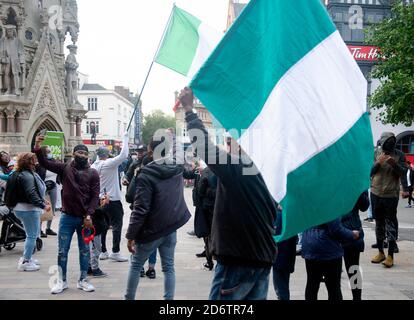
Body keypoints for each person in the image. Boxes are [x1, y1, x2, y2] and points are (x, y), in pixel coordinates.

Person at [179, 87, 277, 300]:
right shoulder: (266, 171)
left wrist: (188, 108)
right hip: (261, 259)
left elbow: (204, 146)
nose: (227, 145)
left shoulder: (241, 168)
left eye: (230, 141)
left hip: (238, 261)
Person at [124, 136, 191, 300]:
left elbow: (140, 209)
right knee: (169, 267)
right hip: (170, 227)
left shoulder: (145, 174)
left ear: (151, 151)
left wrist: (130, 235)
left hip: (151, 230)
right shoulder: (176, 168)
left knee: (135, 265)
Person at [34, 134, 100, 294]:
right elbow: (44, 162)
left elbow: (94, 196)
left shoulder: (93, 173)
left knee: (85, 250)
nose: (82, 156)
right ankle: (61, 281)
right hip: (67, 217)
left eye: (85, 154)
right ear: (74, 153)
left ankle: (83, 279)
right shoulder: (64, 168)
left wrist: (90, 215)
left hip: (85, 219)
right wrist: (37, 145)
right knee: (62, 250)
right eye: (79, 153)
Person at [5, 153, 49, 272]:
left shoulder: (17, 173)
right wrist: (43, 205)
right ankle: (26, 261)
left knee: (30, 235)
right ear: (29, 162)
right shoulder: (27, 175)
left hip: (20, 208)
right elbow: (31, 193)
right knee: (32, 236)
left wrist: (42, 200)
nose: (36, 162)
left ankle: (27, 258)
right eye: (34, 160)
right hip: (29, 209)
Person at [370, 132, 408, 268]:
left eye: (392, 143)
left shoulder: (399, 155)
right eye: (387, 142)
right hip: (375, 192)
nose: (389, 146)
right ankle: (380, 252)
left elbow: (403, 173)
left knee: (391, 224)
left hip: (391, 195)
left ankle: (391, 255)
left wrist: (394, 164)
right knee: (378, 222)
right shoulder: (376, 153)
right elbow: (369, 171)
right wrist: (378, 163)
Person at [92, 132, 129, 262]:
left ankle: (103, 251)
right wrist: (125, 138)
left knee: (103, 225)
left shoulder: (93, 166)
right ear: (106, 155)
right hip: (112, 199)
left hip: (99, 200)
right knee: (117, 225)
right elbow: (124, 155)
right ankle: (116, 251)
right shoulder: (109, 163)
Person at [302, 218, 360, 301]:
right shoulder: (328, 205)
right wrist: (352, 234)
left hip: (310, 243)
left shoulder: (307, 205)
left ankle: (357, 296)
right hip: (328, 247)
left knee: (312, 283)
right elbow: (336, 229)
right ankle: (357, 297)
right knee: (333, 286)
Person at [341, 191, 370, 300]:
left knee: (353, 269)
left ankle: (357, 298)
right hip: (334, 232)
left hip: (351, 231)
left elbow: (364, 206)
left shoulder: (357, 178)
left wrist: (359, 188)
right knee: (333, 274)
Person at [273, 206, 297, 300]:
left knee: (281, 290)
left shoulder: (278, 217)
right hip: (288, 258)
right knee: (284, 287)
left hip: (279, 260)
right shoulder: (290, 217)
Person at [87, 193, 110, 278]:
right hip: (94, 229)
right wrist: (105, 204)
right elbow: (98, 212)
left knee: (91, 249)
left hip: (93, 228)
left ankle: (89, 267)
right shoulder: (90, 197)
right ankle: (95, 269)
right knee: (96, 250)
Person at [39, 146, 58, 237]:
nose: (50, 153)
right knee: (43, 208)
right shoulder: (40, 164)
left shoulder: (54, 162)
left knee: (52, 208)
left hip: (53, 187)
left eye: (50, 151)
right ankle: (39, 229)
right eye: (48, 151)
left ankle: (48, 228)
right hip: (44, 187)